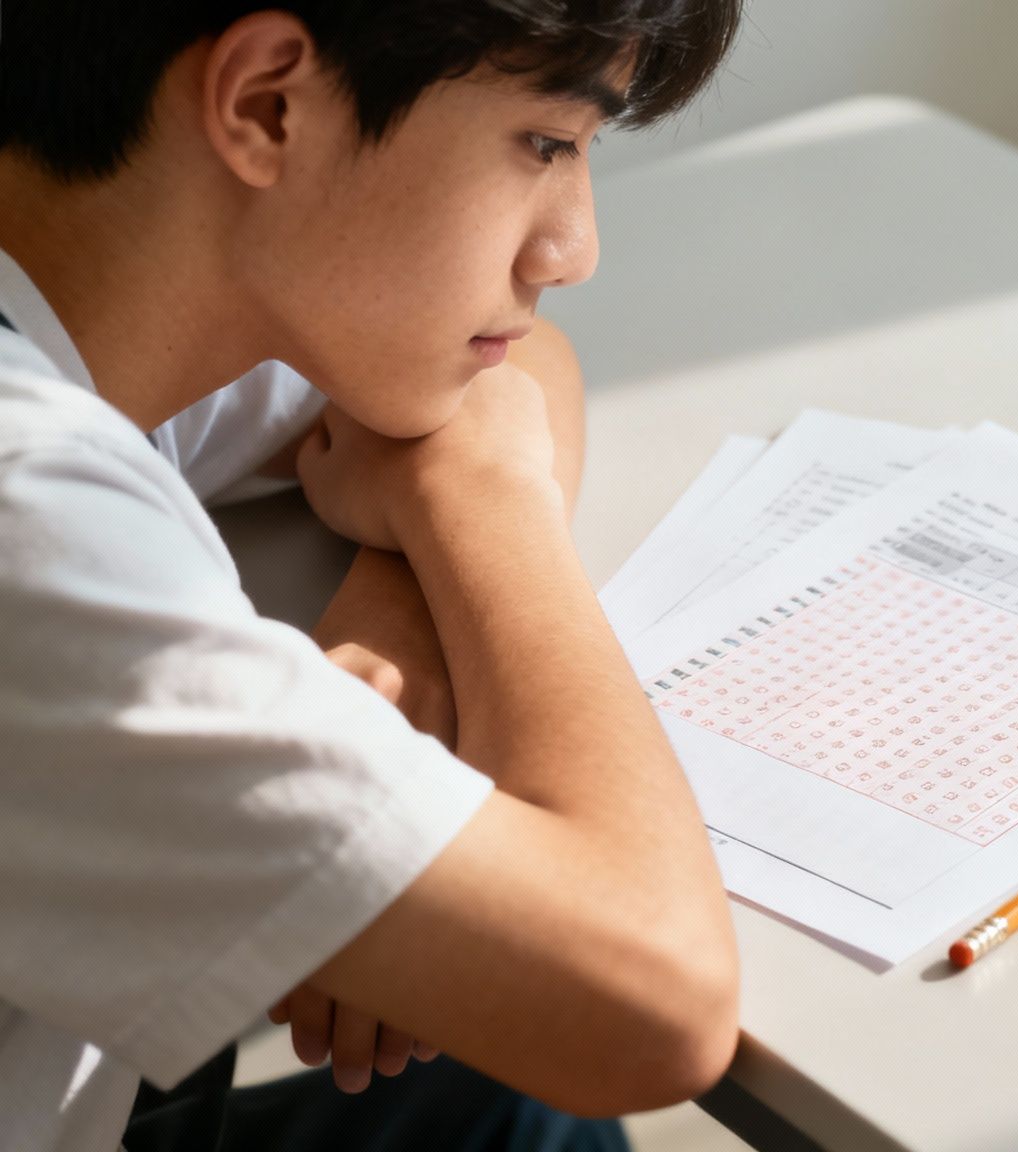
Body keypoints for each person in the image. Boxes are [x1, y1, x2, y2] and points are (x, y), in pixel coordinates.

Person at [0, 2, 746, 1149]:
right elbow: (658, 1002)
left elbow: (515, 366)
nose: (574, 248)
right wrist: (489, 506)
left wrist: (402, 618)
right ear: (267, 105)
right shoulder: (33, 530)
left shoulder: (109, 291)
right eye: (546, 143)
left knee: (505, 1111)